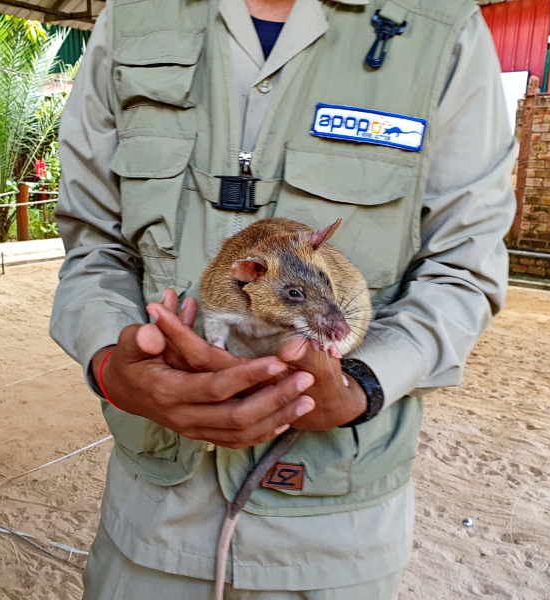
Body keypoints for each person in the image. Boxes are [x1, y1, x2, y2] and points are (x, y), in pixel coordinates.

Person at [50, 0, 517, 597]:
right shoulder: (133, 16)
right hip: (152, 521)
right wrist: (111, 365)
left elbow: (465, 268)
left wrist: (361, 385)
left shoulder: (440, 27)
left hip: (334, 536)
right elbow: (92, 245)